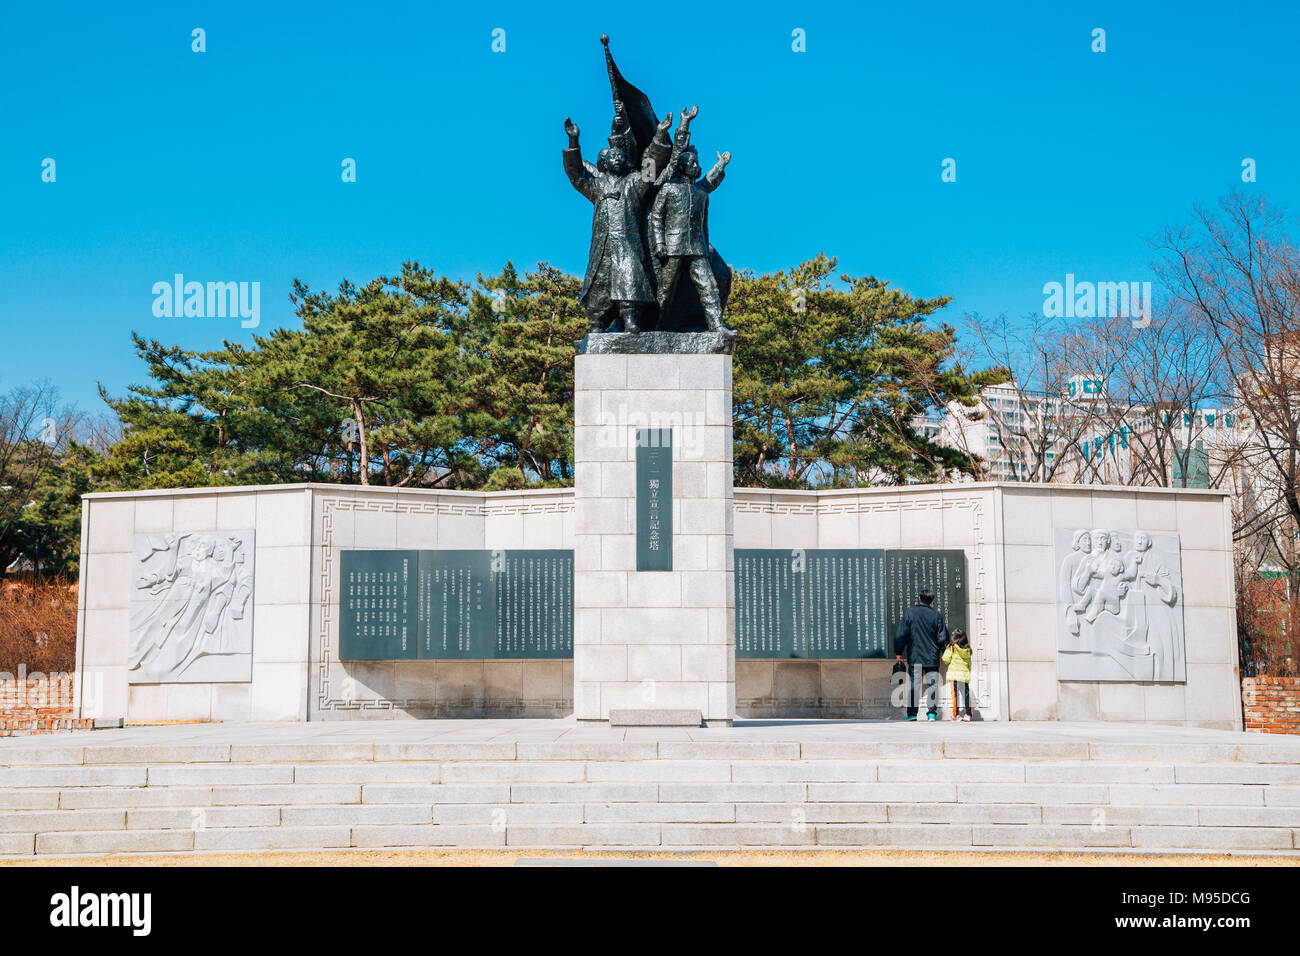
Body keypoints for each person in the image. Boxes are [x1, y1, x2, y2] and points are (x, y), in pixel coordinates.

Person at [562, 102, 673, 334]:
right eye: (612, 155)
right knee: (598, 286)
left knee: (629, 281)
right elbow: (575, 174)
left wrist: (659, 135)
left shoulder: (634, 183)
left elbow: (650, 169)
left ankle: (631, 319)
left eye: (620, 155)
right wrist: (574, 141)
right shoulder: (596, 186)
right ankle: (596, 324)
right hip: (603, 246)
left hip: (627, 245)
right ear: (604, 162)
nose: (617, 157)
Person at [649, 115, 735, 339]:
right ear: (683, 167)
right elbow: (656, 217)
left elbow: (711, 180)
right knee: (665, 291)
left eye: (697, 164)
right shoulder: (668, 188)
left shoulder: (700, 191)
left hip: (697, 247)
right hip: (674, 246)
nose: (697, 166)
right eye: (693, 164)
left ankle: (716, 325)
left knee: (709, 287)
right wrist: (660, 243)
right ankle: (655, 325)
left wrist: (721, 165)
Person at [894, 586, 949, 721]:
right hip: (932, 657)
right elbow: (942, 637)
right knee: (933, 685)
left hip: (915, 656)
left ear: (919, 598)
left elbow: (901, 634)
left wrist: (899, 652)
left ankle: (912, 714)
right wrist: (944, 651)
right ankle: (931, 713)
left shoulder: (910, 613)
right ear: (932, 601)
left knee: (914, 685)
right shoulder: (936, 616)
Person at [942, 629, 973, 721]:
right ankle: (968, 714)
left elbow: (946, 659)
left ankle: (956, 715)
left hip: (954, 675)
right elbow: (969, 664)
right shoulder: (967, 649)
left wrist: (944, 657)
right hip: (964, 675)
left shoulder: (951, 647)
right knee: (966, 695)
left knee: (955, 695)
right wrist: (968, 672)